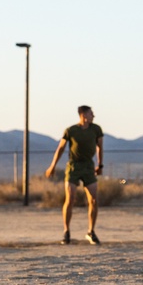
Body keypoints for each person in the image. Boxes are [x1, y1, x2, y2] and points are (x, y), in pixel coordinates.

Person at [46, 105, 105, 245]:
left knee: (94, 200)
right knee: (70, 198)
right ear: (84, 115)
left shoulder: (96, 129)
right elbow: (60, 148)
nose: (93, 116)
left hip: (88, 166)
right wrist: (53, 166)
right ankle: (66, 232)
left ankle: (91, 231)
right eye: (91, 113)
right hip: (73, 166)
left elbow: (100, 147)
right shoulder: (71, 130)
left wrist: (100, 165)